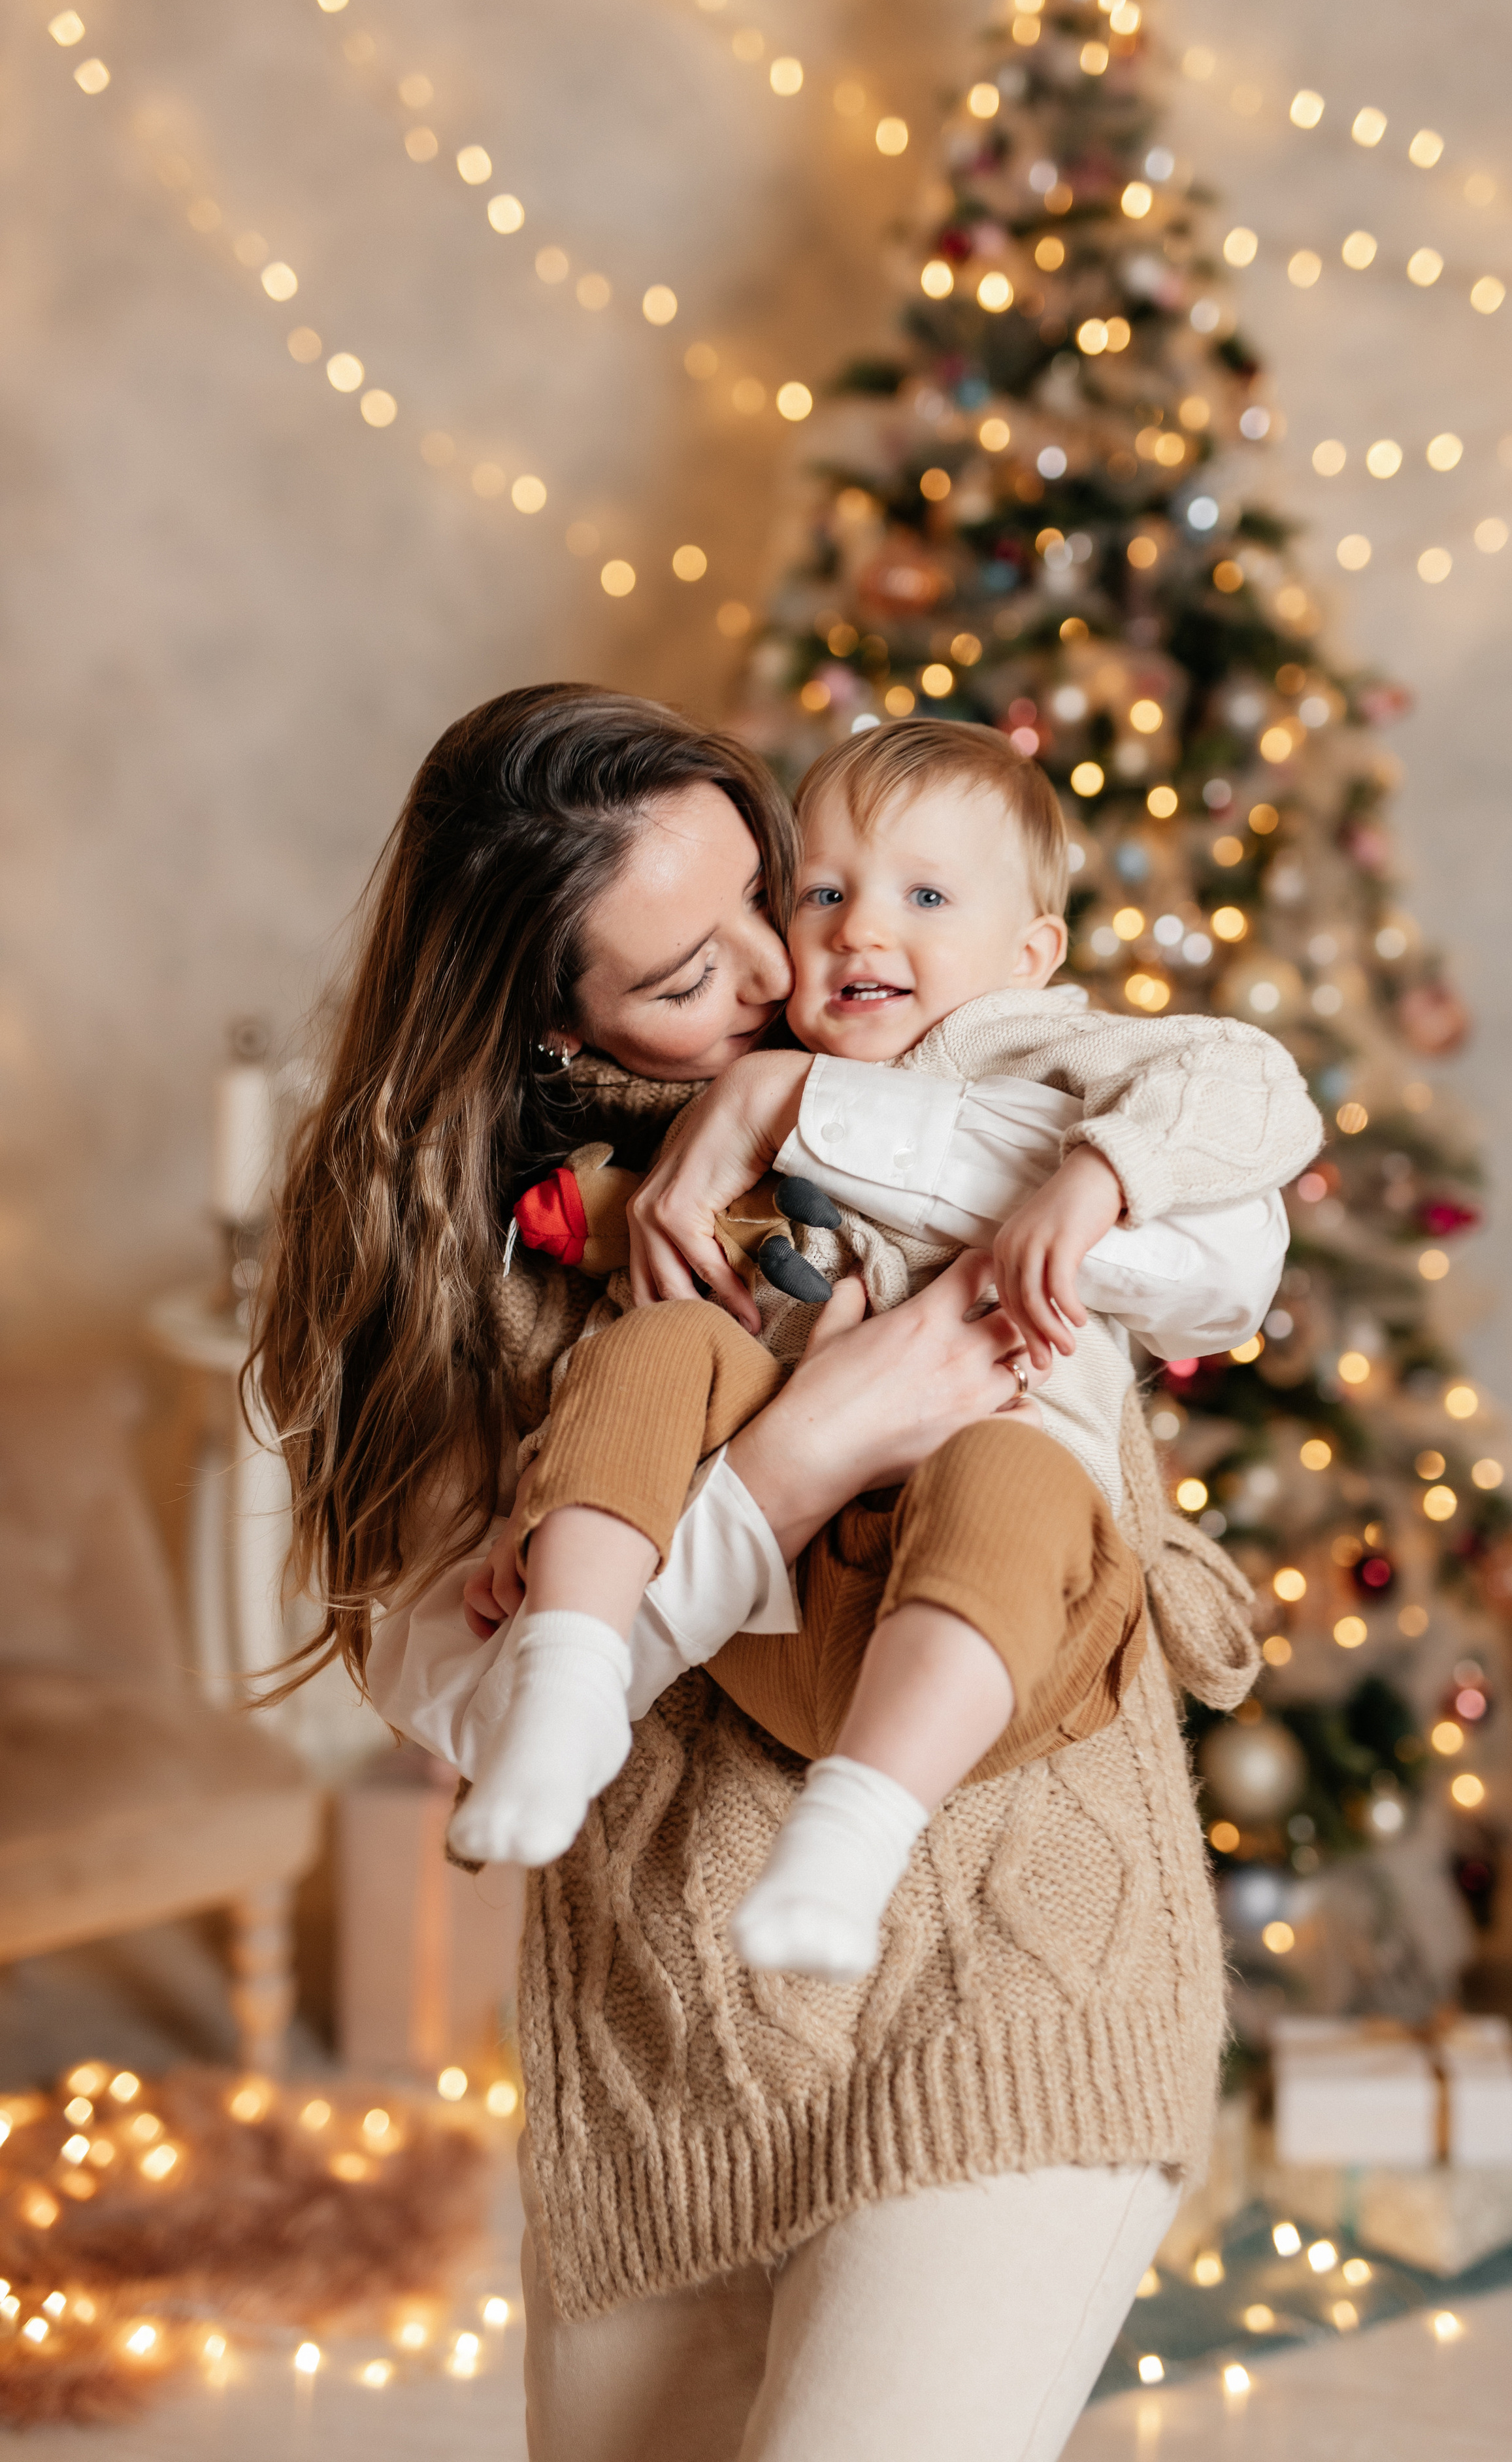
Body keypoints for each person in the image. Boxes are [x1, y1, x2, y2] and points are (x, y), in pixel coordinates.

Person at [255, 684, 1300, 2462]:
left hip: (1010, 1960)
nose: (780, 966)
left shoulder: (950, 1068)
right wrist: (799, 1456)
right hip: (669, 2048)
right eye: (687, 980)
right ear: (536, 1017)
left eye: (770, 888)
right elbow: (467, 1696)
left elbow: (1224, 1246)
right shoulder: (447, 1261)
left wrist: (786, 1103)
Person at [450, 720, 1321, 1991]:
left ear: (1030, 956)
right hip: (770, 1617)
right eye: (821, 894)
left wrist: (1096, 1177)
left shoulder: (1045, 1059)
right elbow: (602, 1309)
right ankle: (566, 1676)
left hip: (985, 1624)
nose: (856, 930)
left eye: (921, 896)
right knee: (660, 1342)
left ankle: (850, 1836)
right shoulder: (699, 1129)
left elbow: (1253, 1096)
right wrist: (555, 1502)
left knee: (1010, 1474)